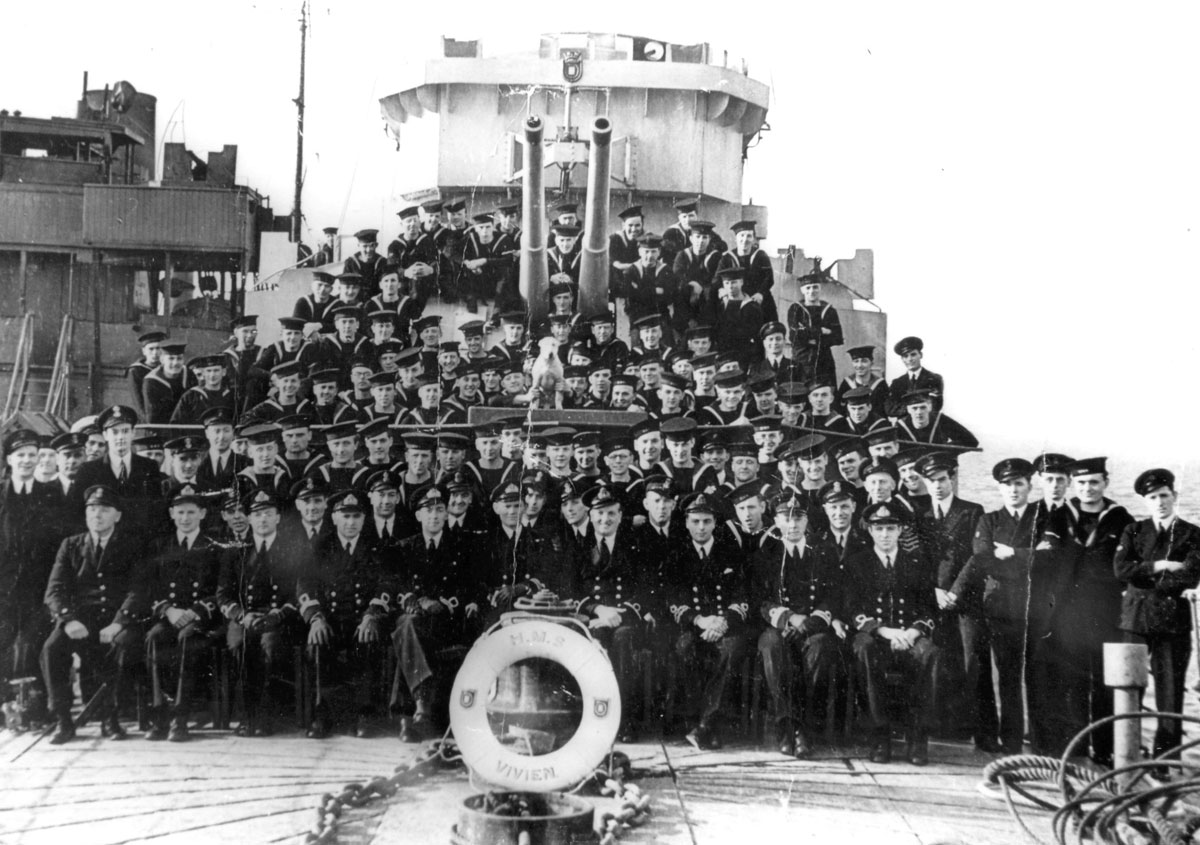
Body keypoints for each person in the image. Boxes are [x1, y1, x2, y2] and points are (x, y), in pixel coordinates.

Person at [1043, 457, 1134, 765]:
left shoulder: (1121, 519)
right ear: (1073, 485)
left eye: (1094, 482)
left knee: (1105, 683)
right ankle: (1078, 748)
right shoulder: (1059, 517)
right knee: (1074, 681)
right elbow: (1047, 554)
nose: (1087, 488)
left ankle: (1106, 749)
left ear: (1105, 483)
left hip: (1107, 611)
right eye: (1081, 483)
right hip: (1069, 612)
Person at [946, 458, 1039, 755]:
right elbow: (983, 556)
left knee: (1011, 675)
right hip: (989, 602)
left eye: (1019, 484)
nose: (1013, 490)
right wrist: (1027, 556)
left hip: (1019, 606)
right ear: (999, 488)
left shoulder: (1040, 518)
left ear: (1029, 486)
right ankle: (985, 738)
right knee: (980, 671)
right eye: (1007, 485)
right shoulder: (989, 520)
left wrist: (1013, 553)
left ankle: (1012, 742)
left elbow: (1048, 558)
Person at [1112, 468, 1200, 765]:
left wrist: (1146, 573)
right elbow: (1121, 570)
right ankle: (1127, 754)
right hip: (1136, 620)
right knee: (1129, 687)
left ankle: (1165, 760)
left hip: (1172, 622)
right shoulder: (1134, 531)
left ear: (1174, 496)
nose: (1160, 502)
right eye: (1153, 497)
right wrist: (1162, 565)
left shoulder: (1193, 534)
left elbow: (1189, 576)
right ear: (1145, 501)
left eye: (1164, 495)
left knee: (1170, 691)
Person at [42, 485, 142, 744]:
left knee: (122, 648)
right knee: (52, 649)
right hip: (80, 620)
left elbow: (138, 589)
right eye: (92, 509)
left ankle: (111, 718)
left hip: (115, 620)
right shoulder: (71, 545)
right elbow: (54, 591)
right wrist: (69, 619)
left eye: (104, 510)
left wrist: (119, 622)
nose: (97, 515)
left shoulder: (131, 545)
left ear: (117, 516)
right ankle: (63, 721)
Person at [846, 501, 943, 765]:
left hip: (909, 634)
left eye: (890, 528)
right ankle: (880, 735)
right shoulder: (858, 563)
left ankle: (917, 737)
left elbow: (929, 609)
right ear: (870, 532)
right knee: (863, 649)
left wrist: (913, 633)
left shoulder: (917, 562)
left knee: (930, 653)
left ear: (900, 530)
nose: (885, 534)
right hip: (876, 635)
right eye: (879, 529)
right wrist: (884, 631)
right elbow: (852, 609)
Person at [751, 493, 847, 757]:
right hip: (779, 626)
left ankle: (804, 729)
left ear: (807, 521)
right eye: (785, 518)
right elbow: (760, 600)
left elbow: (834, 595)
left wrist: (812, 621)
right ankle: (786, 726)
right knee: (772, 648)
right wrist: (788, 618)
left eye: (798, 518)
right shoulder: (767, 552)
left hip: (813, 627)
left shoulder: (824, 551)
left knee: (821, 650)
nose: (792, 525)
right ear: (776, 521)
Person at [217, 489, 313, 737]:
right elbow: (223, 594)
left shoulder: (293, 548)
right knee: (239, 644)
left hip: (280, 617)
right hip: (246, 616)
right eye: (257, 515)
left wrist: (278, 615)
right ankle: (247, 716)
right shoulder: (235, 550)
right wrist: (241, 615)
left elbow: (299, 590)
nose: (263, 520)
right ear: (249, 519)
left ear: (278, 517)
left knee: (271, 646)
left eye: (268, 514)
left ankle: (266, 715)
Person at [130, 484, 222, 742]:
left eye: (191, 512)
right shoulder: (160, 545)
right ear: (171, 513)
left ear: (202, 514)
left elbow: (223, 588)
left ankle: (180, 718)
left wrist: (195, 611)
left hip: (201, 619)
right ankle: (159, 717)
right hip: (168, 616)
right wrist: (168, 610)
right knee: (155, 638)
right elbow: (147, 587)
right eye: (180, 512)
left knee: (188, 639)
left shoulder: (214, 545)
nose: (185, 518)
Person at [391, 483, 483, 742]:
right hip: (415, 616)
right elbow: (396, 584)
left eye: (439, 509)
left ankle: (407, 717)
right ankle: (420, 707)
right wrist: (418, 600)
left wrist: (446, 602)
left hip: (447, 620)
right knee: (408, 625)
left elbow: (472, 585)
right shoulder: (404, 548)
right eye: (427, 510)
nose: (434, 515)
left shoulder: (462, 545)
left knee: (407, 635)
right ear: (418, 515)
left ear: (446, 514)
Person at [301, 490, 393, 739]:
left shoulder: (376, 546)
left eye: (356, 516)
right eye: (345, 516)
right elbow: (306, 586)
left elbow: (386, 584)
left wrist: (372, 614)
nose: (351, 522)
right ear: (334, 518)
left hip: (361, 620)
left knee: (369, 639)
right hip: (330, 620)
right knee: (319, 641)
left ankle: (364, 714)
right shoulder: (320, 547)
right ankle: (322, 715)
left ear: (364, 519)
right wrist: (316, 618)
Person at [665, 492, 751, 750]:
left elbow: (742, 595)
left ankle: (706, 725)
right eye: (695, 521)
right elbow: (673, 599)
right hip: (695, 626)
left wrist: (723, 622)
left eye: (706, 521)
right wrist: (700, 620)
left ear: (715, 523)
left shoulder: (730, 551)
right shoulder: (677, 554)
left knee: (733, 649)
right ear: (687, 523)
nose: (701, 527)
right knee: (685, 648)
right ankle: (705, 723)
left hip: (726, 625)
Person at [786, 266, 842, 383]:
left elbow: (837, 338)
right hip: (802, 359)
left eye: (815, 287)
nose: (812, 291)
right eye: (808, 288)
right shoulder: (796, 309)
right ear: (802, 290)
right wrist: (821, 332)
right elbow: (794, 337)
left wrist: (807, 335)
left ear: (820, 288)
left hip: (824, 359)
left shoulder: (830, 310)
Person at [719, 220, 777, 323]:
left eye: (749, 236)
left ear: (754, 239)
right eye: (741, 235)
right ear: (736, 238)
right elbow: (717, 279)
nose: (745, 240)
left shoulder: (761, 255)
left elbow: (769, 278)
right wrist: (722, 292)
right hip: (735, 299)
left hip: (758, 299)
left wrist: (761, 293)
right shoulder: (727, 258)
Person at [895, 389, 978, 448]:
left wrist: (944, 449)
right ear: (908, 410)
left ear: (930, 407)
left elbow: (971, 441)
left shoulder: (940, 420)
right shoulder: (901, 426)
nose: (919, 412)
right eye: (914, 408)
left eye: (923, 407)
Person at [886, 336, 944, 417]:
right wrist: (916, 407)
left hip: (927, 425)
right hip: (905, 427)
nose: (910, 359)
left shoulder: (934, 379)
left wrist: (906, 407)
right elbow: (890, 409)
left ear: (920, 355)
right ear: (902, 359)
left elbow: (935, 406)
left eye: (913, 354)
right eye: (905, 356)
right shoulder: (897, 383)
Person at [143, 341, 194, 424]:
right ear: (162, 360)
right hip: (163, 428)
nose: (175, 363)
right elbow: (152, 417)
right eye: (171, 358)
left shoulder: (189, 374)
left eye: (179, 358)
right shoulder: (151, 382)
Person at [836, 346, 889, 418]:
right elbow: (839, 409)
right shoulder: (846, 383)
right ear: (852, 363)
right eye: (856, 361)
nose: (859, 365)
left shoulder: (880, 384)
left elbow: (885, 411)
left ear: (871, 363)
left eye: (864, 361)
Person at [127, 330, 166, 418]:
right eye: (151, 349)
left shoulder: (167, 369)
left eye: (158, 348)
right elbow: (138, 401)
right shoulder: (136, 371)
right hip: (148, 417)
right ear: (144, 351)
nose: (155, 353)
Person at [343, 228, 386, 299]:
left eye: (372, 245)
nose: (369, 250)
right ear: (359, 246)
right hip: (356, 299)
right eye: (365, 246)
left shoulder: (382, 262)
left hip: (377, 301)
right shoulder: (351, 263)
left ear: (376, 245)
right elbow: (346, 286)